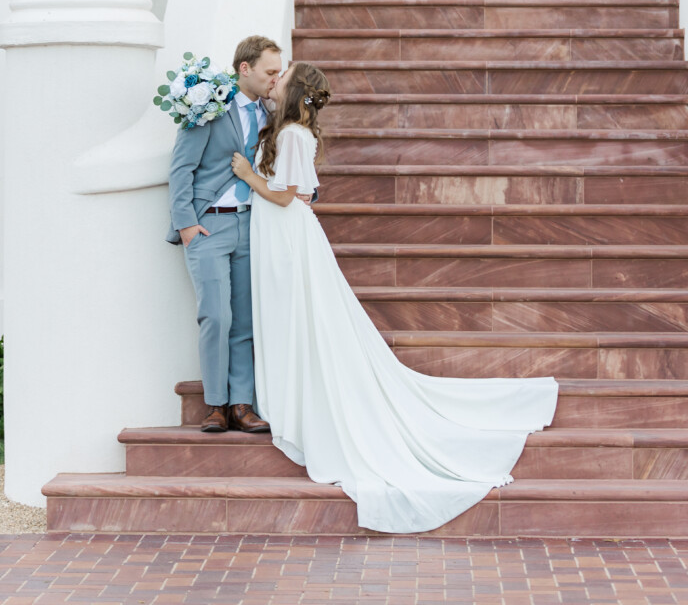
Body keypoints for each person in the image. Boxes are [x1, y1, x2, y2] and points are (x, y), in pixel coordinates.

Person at [231, 60, 560, 534]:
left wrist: (247, 175)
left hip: (287, 234)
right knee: (295, 319)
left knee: (302, 319)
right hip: (283, 233)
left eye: (281, 78)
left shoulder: (295, 137)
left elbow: (287, 196)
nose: (274, 82)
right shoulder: (285, 131)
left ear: (296, 91)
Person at [167, 35, 314, 435]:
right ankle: (215, 405)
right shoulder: (208, 107)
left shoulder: (274, 112)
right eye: (270, 72)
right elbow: (180, 168)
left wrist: (305, 190)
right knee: (216, 316)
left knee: (247, 320)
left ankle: (242, 404)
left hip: (254, 226)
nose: (275, 79)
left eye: (279, 73)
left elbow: (291, 160)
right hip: (208, 225)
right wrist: (186, 225)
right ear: (244, 69)